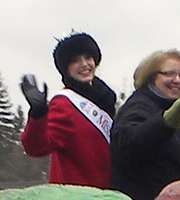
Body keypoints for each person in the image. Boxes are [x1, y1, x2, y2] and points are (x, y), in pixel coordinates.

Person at [110, 49, 180, 200]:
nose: (177, 80)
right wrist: (164, 124)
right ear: (152, 77)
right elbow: (128, 143)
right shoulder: (139, 106)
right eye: (169, 74)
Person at [19, 32, 116, 188]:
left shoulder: (105, 101)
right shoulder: (64, 103)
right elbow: (36, 147)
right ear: (66, 69)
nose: (84, 64)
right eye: (75, 60)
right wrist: (38, 113)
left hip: (108, 195)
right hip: (76, 197)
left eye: (88, 57)